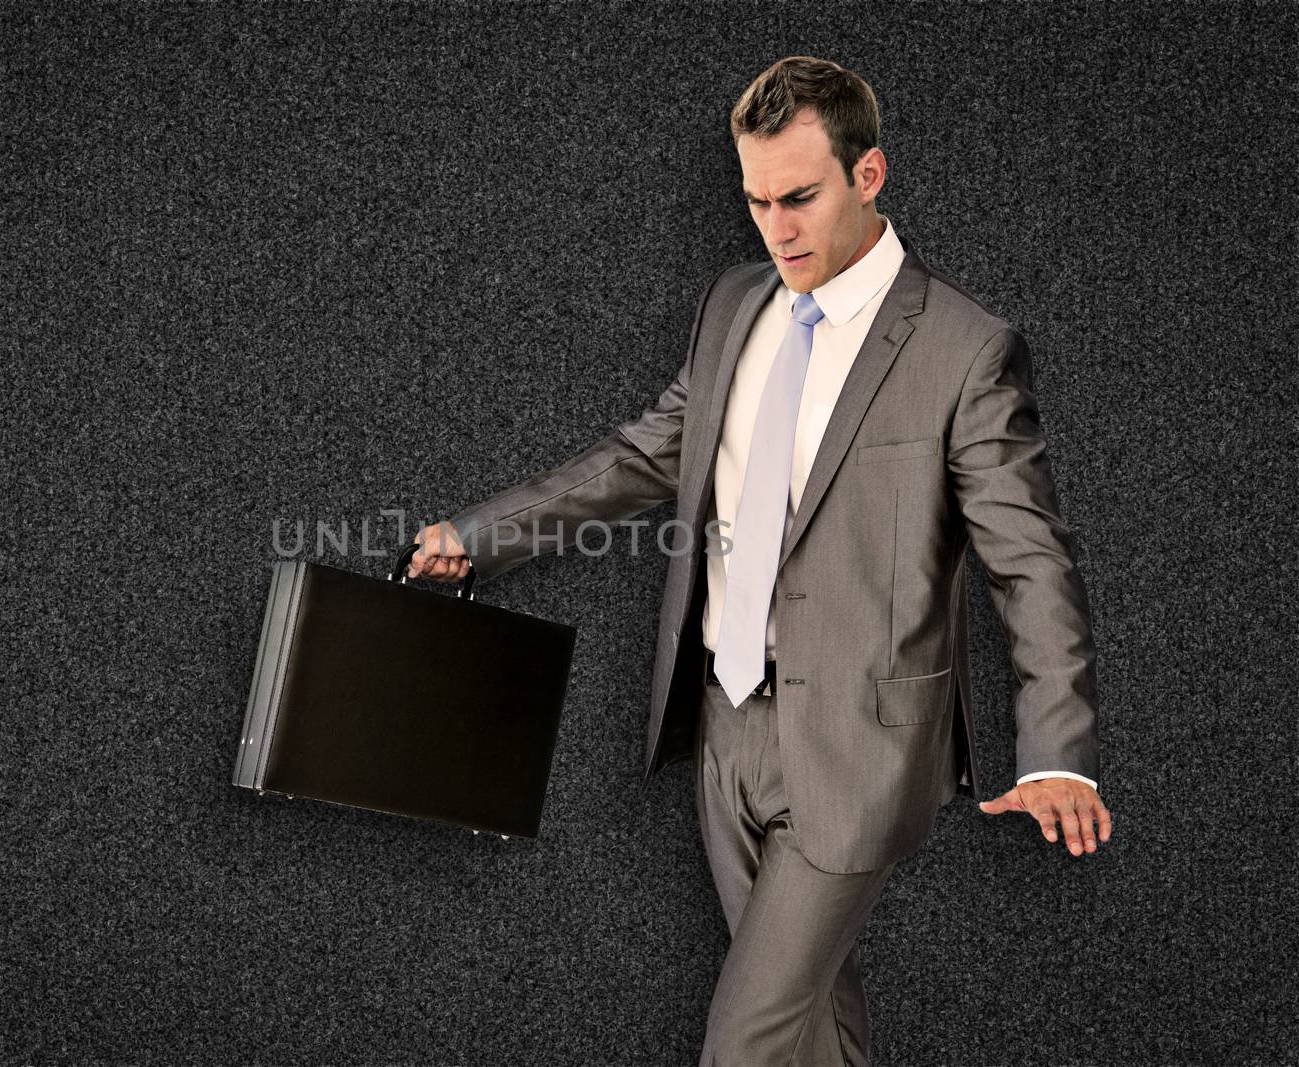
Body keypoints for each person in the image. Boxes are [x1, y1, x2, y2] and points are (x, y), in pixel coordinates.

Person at [408, 55, 1112, 1066]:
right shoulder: (734, 306)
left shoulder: (964, 350)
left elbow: (1030, 561)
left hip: (860, 750)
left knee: (743, 1042)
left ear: (867, 176)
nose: (775, 228)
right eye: (754, 201)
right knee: (813, 1025)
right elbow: (645, 454)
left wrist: (1053, 748)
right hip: (724, 729)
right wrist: (476, 537)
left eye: (799, 197)